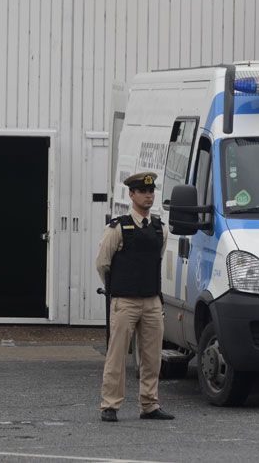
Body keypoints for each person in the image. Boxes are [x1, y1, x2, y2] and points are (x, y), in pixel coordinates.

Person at [96, 172, 174, 422]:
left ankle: (149, 404)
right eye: (142, 191)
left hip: (151, 300)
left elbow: (157, 259)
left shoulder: (159, 228)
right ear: (131, 195)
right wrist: (116, 291)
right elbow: (102, 264)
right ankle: (110, 404)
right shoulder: (118, 227)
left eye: (151, 192)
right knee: (117, 355)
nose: (148, 195)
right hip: (125, 300)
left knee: (152, 356)